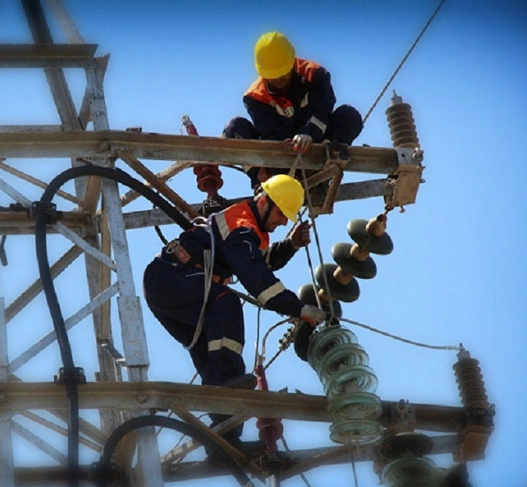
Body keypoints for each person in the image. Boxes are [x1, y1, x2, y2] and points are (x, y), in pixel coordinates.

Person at [143, 174, 326, 449]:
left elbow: (258, 261)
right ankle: (222, 390)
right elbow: (256, 277)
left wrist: (290, 245)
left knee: (211, 350)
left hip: (172, 286)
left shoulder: (246, 229)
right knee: (225, 304)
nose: (283, 223)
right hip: (170, 279)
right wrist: (298, 308)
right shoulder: (240, 226)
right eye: (280, 214)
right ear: (263, 202)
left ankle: (224, 439)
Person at [224, 31, 364, 190]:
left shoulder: (314, 74)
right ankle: (263, 181)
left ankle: (323, 170)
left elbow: (322, 109)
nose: (278, 79)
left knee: (349, 116)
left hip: (315, 145)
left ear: (292, 62)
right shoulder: (255, 96)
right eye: (273, 76)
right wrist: (290, 146)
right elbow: (270, 131)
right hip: (279, 160)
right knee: (234, 127)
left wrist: (309, 134)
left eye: (282, 73)